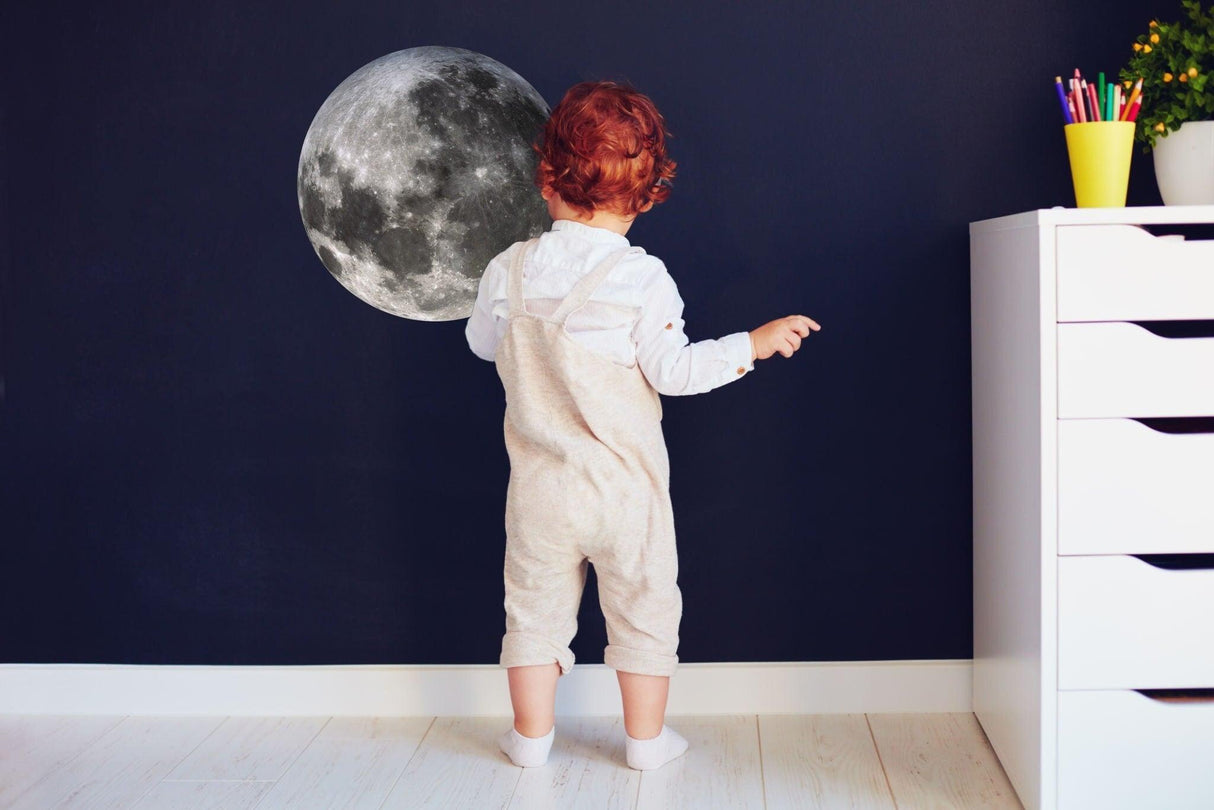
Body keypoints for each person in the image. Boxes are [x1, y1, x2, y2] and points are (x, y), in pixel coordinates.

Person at [464, 79, 819, 771]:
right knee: (645, 609)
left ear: (546, 178)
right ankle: (647, 742)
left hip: (541, 491)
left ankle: (531, 740)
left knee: (533, 613)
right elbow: (675, 372)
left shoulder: (506, 270)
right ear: (649, 192)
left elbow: (482, 344)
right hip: (626, 492)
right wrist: (751, 343)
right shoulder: (642, 277)